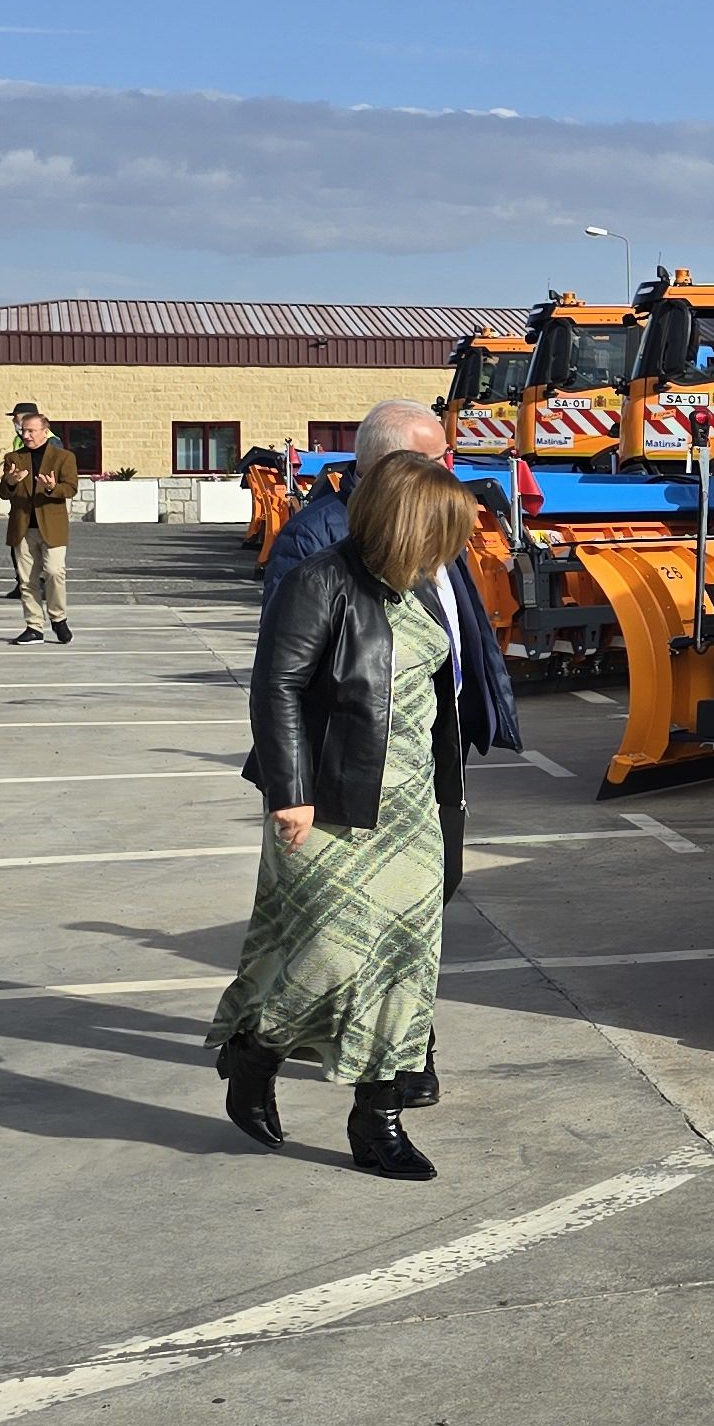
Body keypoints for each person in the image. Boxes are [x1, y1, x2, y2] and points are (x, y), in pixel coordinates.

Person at [214, 454, 484, 1180]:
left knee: (403, 962)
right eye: (441, 534)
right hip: (330, 801)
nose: (450, 551)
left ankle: (379, 1119)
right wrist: (289, 793)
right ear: (403, 525)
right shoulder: (319, 581)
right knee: (327, 957)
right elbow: (276, 689)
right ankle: (254, 1053)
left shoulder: (421, 586)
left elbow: (439, 694)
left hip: (409, 805)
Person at [254, 397, 518, 1113]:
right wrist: (293, 788)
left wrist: (486, 706)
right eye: (434, 461)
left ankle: (398, 1050)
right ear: (388, 467)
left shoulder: (434, 519)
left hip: (432, 756)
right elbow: (283, 680)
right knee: (347, 937)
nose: (450, 473)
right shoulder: (317, 548)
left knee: (421, 912)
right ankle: (296, 1054)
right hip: (349, 773)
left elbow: (455, 632)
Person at [0, 403, 83, 644]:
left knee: (55, 572)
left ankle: (58, 618)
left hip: (51, 526)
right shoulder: (13, 457)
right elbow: (3, 492)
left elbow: (71, 488)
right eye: (23, 430)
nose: (26, 435)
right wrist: (12, 482)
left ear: (45, 431)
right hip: (23, 527)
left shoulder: (63, 457)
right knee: (27, 580)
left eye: (31, 431)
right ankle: (34, 626)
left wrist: (51, 488)